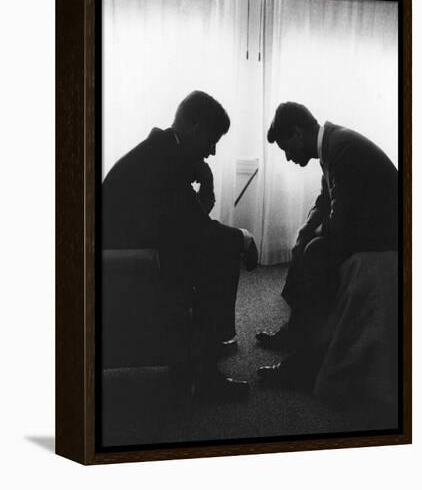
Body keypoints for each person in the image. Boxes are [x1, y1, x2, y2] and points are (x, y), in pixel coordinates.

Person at [102, 90, 258, 399]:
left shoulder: (161, 151)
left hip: (137, 250)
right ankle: (203, 375)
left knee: (217, 247)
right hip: (128, 264)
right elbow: (197, 230)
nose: (212, 152)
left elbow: (183, 224)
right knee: (224, 251)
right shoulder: (165, 163)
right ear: (193, 126)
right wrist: (245, 238)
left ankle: (201, 355)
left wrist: (205, 187)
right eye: (212, 140)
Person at [256, 102, 398, 387]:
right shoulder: (333, 144)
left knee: (316, 252)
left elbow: (342, 219)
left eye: (286, 148)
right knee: (306, 242)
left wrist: (315, 235)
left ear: (298, 134)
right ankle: (295, 331)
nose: (287, 157)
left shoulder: (343, 149)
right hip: (367, 222)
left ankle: (302, 367)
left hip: (387, 232)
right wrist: (307, 229)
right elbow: (326, 199)